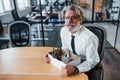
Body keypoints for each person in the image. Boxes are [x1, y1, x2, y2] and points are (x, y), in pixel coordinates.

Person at [44, 4, 100, 80]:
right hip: (70, 62)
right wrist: (53, 57)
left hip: (85, 67)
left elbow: (92, 61)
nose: (69, 21)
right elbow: (65, 49)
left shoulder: (89, 38)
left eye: (74, 17)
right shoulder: (64, 31)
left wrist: (76, 69)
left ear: (81, 19)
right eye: (67, 18)